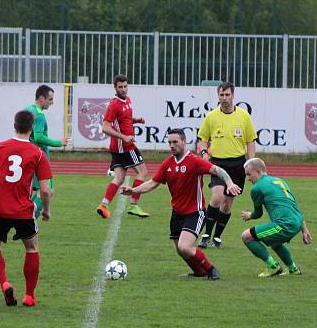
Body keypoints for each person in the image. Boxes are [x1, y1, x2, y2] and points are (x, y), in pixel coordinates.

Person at [121, 128, 241, 280]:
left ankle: (211, 270)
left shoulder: (195, 161)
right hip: (177, 213)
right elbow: (152, 183)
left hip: (195, 212)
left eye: (175, 142)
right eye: (169, 142)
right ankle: (199, 272)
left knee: (185, 247)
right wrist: (133, 190)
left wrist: (229, 183)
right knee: (180, 250)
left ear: (184, 142)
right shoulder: (168, 163)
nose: (172, 145)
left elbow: (218, 170)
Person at [0, 110, 53, 308]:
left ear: (14, 125)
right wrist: (46, 210)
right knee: (32, 248)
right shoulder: (38, 153)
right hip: (23, 211)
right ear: (31, 128)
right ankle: (29, 296)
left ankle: (5, 284)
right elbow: (45, 190)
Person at [196, 81, 257, 248]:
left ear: (233, 95)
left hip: (238, 164)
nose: (224, 98)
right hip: (217, 163)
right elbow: (202, 139)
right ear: (218, 96)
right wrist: (203, 154)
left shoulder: (243, 116)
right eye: (221, 95)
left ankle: (217, 236)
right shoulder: (211, 116)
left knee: (227, 204)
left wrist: (251, 163)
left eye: (227, 95)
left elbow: (250, 141)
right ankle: (206, 234)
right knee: (216, 196)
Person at [240, 158, 312, 277]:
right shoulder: (280, 181)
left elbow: (258, 214)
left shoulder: (256, 188)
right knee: (274, 241)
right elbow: (294, 205)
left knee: (246, 236)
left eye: (249, 174)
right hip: (297, 221)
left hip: (285, 224)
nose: (248, 178)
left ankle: (273, 266)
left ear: (258, 172)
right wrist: (304, 230)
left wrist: (250, 215)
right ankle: (292, 269)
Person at [96, 74, 150, 219]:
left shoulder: (127, 101)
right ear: (115, 87)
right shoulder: (114, 105)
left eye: (125, 86)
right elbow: (105, 128)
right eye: (120, 87)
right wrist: (124, 137)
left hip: (119, 147)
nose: (124, 89)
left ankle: (103, 205)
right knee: (142, 172)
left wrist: (135, 120)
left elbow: (123, 119)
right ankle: (133, 205)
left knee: (119, 178)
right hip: (125, 146)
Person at [26, 84, 70, 218]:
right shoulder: (39, 115)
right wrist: (58, 143)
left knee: (38, 192)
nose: (52, 102)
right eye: (50, 99)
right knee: (47, 192)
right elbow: (38, 136)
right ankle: (27, 220)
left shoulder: (28, 110)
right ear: (41, 98)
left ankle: (25, 218)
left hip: (29, 155)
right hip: (38, 158)